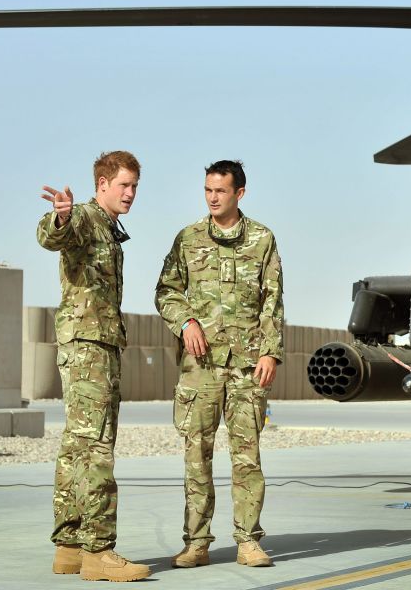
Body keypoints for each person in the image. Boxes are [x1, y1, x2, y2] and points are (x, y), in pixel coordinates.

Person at [155, 159, 284, 568]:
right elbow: (165, 292)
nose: (212, 198)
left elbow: (273, 300)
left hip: (247, 366)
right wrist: (185, 321)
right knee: (197, 455)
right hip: (201, 366)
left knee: (248, 456)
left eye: (221, 191)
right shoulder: (188, 239)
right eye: (208, 190)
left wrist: (270, 351)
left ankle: (248, 540)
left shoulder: (263, 239)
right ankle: (197, 542)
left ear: (239, 193)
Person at [37, 150, 151, 582]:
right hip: (89, 348)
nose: (130, 193)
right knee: (98, 445)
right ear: (102, 184)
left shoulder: (108, 227)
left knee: (77, 448)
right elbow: (54, 237)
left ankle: (69, 545)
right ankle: (99, 551)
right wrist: (61, 218)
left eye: (135, 186)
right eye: (124, 185)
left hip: (91, 344)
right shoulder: (84, 217)